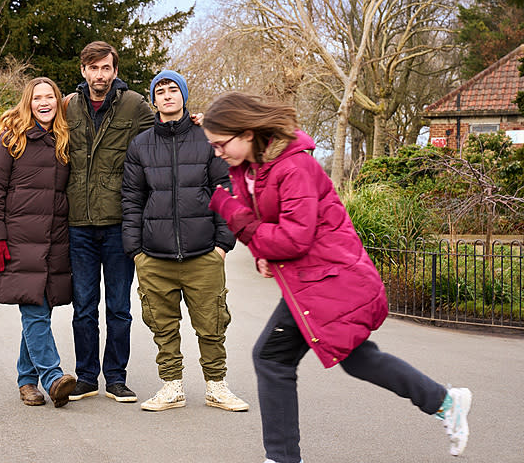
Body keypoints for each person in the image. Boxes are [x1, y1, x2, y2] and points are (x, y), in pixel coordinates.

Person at [202, 92, 472, 462]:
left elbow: (294, 238)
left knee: (274, 357)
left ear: (247, 132)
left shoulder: (293, 167)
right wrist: (262, 253)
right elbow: (272, 230)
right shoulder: (252, 170)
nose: (217, 152)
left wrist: (232, 212)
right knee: (349, 357)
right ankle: (444, 401)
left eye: (220, 143)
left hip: (332, 281)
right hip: (313, 282)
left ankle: (282, 457)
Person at [121, 70, 248, 413]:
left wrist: (223, 243)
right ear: (154, 100)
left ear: (183, 96)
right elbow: (132, 199)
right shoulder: (140, 144)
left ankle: (216, 386)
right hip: (154, 256)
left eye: (172, 89)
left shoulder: (208, 139)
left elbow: (227, 190)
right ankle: (171, 386)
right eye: (159, 91)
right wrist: (135, 250)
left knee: (212, 324)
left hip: (204, 252)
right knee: (162, 326)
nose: (166, 95)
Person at [64, 41, 155, 403]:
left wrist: (191, 122)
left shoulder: (134, 105)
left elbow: (164, 131)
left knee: (119, 306)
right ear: (83, 71)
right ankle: (86, 376)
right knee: (84, 306)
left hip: (119, 224)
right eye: (93, 68)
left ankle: (116, 377)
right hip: (78, 225)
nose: (99, 74)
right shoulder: (69, 106)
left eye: (106, 68)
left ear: (114, 70)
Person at [0, 77, 77, 408]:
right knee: (35, 311)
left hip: (53, 242)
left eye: (50, 96)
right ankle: (52, 377)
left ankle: (26, 381)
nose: (44, 102)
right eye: (37, 97)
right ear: (28, 103)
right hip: (20, 242)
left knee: (39, 311)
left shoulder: (62, 139)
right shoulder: (11, 139)